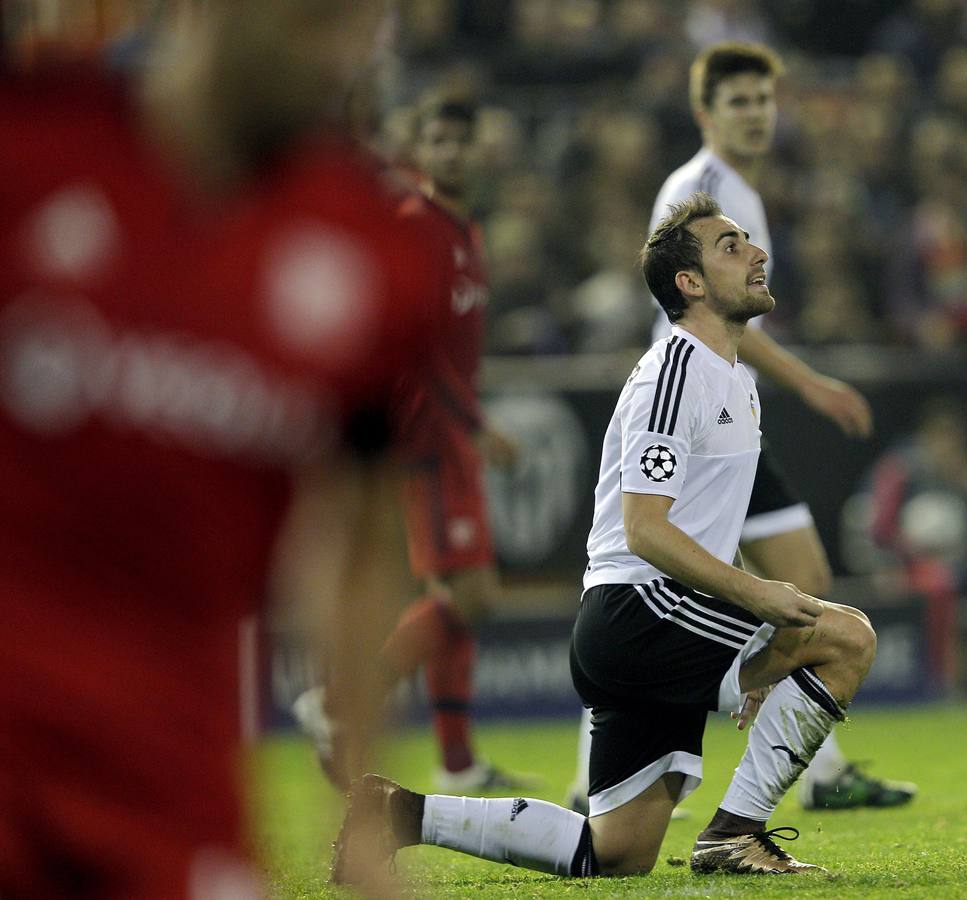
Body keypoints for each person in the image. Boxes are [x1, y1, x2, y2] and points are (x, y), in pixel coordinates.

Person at [0, 3, 458, 896]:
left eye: (361, 33)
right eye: (313, 23)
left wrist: (363, 813)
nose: (338, 60)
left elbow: (364, 540)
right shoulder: (31, 144)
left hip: (168, 777)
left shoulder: (382, 258)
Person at [331, 193, 877, 889]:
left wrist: (749, 639)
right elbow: (645, 529)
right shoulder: (675, 370)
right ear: (691, 283)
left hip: (646, 623)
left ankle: (401, 815)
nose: (757, 252)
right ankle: (737, 836)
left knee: (615, 853)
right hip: (644, 611)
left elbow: (702, 521)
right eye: (732, 245)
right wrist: (758, 602)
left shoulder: (736, 381)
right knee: (849, 637)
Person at [568, 40, 914, 813]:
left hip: (730, 412)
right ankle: (776, 783)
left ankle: (802, 768)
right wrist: (813, 382)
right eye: (740, 102)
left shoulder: (740, 196)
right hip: (699, 421)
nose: (757, 115)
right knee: (769, 590)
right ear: (706, 112)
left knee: (798, 590)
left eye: (765, 100)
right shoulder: (699, 191)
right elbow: (690, 296)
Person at [293, 95, 533, 793]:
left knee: (453, 598)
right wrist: (479, 426)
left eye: (463, 140)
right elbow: (420, 349)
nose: (452, 152)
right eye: (439, 140)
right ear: (420, 150)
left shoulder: (467, 231)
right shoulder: (417, 228)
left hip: (448, 435)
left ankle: (456, 764)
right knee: (474, 594)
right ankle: (338, 704)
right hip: (427, 437)